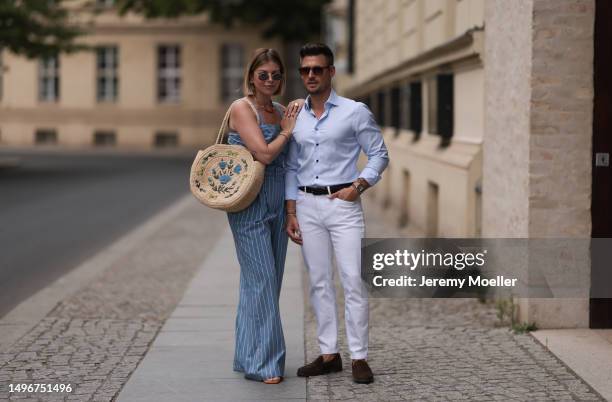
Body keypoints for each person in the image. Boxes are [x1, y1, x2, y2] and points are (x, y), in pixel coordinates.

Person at [285, 43, 389, 384]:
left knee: (353, 280)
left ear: (331, 72)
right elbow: (290, 165)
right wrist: (291, 209)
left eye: (318, 69)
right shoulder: (295, 114)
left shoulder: (354, 111)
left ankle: (359, 356)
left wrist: (358, 186)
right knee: (318, 283)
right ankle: (329, 354)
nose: (311, 75)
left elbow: (379, 155)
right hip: (306, 205)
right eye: (305, 70)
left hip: (342, 204)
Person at [225, 48, 302, 384]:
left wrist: (290, 212)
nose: (270, 80)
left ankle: (246, 355)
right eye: (263, 75)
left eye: (276, 75)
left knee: (262, 283)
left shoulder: (282, 110)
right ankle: (265, 363)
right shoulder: (243, 108)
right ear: (251, 77)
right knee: (263, 282)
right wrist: (286, 131)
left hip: (275, 203)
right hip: (249, 203)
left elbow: (288, 166)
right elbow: (265, 155)